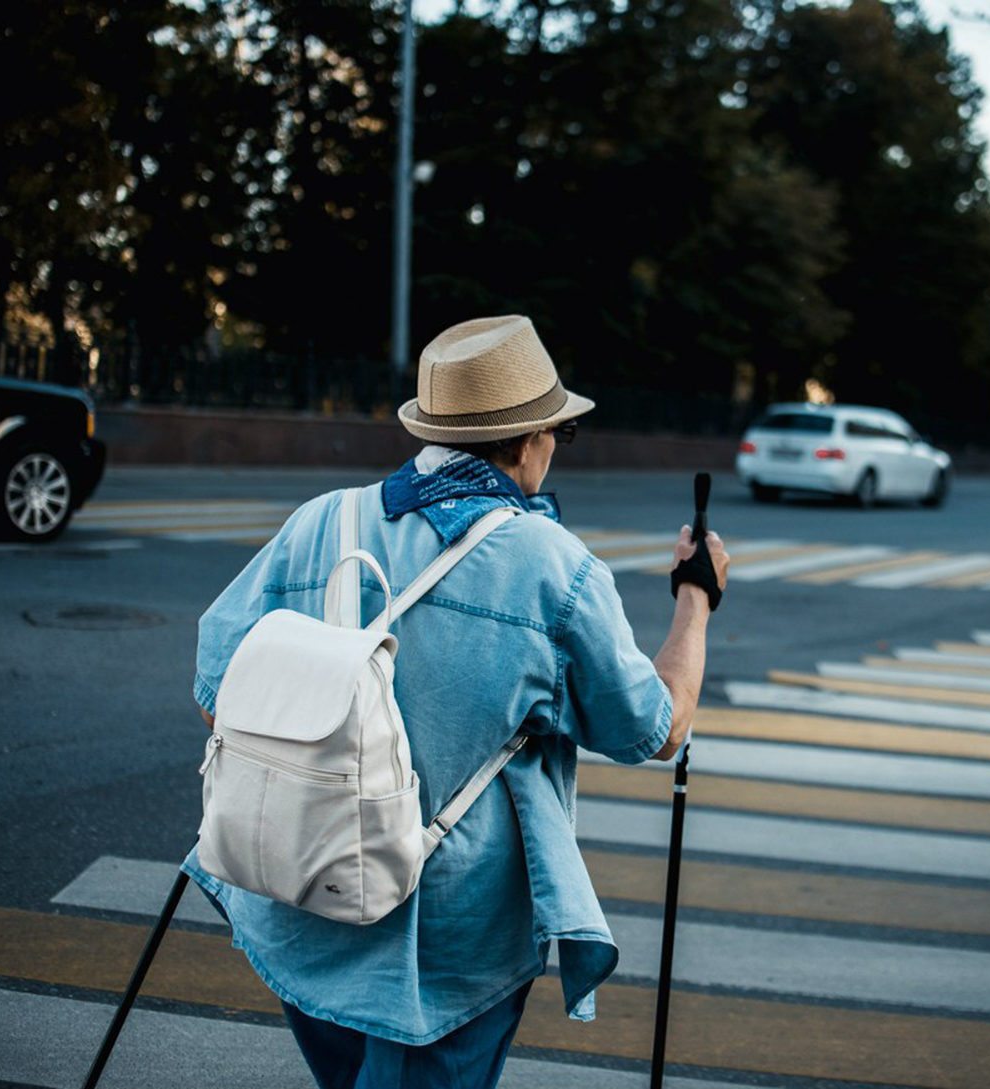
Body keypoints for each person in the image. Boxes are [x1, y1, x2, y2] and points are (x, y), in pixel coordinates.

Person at [183, 314, 728, 1089]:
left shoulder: (320, 522)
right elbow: (657, 727)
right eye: (557, 434)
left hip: (301, 903)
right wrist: (695, 601)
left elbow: (215, 692)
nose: (553, 450)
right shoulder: (551, 568)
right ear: (528, 439)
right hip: (443, 949)